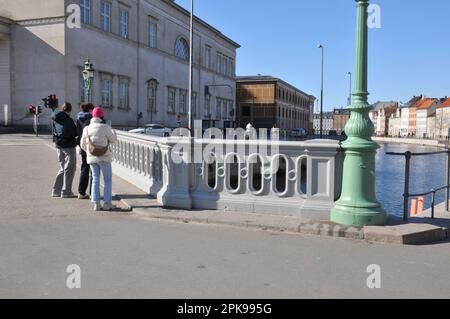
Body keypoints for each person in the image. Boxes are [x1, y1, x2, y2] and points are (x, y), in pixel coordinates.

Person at [80, 107, 117, 211]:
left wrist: (90, 151)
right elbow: (113, 140)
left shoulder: (86, 128)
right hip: (104, 157)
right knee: (107, 180)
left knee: (95, 179)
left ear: (93, 116)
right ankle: (107, 203)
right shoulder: (105, 127)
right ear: (101, 116)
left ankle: (96, 203)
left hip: (92, 158)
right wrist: (113, 131)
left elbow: (82, 145)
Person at [52, 103, 78, 198]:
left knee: (62, 167)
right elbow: (74, 132)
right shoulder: (68, 120)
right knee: (69, 168)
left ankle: (56, 190)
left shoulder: (56, 118)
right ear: (69, 110)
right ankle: (66, 191)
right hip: (68, 146)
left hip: (59, 145)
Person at [76, 103, 94, 200]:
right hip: (91, 147)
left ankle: (81, 192)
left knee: (84, 169)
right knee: (94, 170)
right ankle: (93, 193)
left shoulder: (78, 118)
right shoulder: (91, 119)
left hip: (82, 146)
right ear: (90, 109)